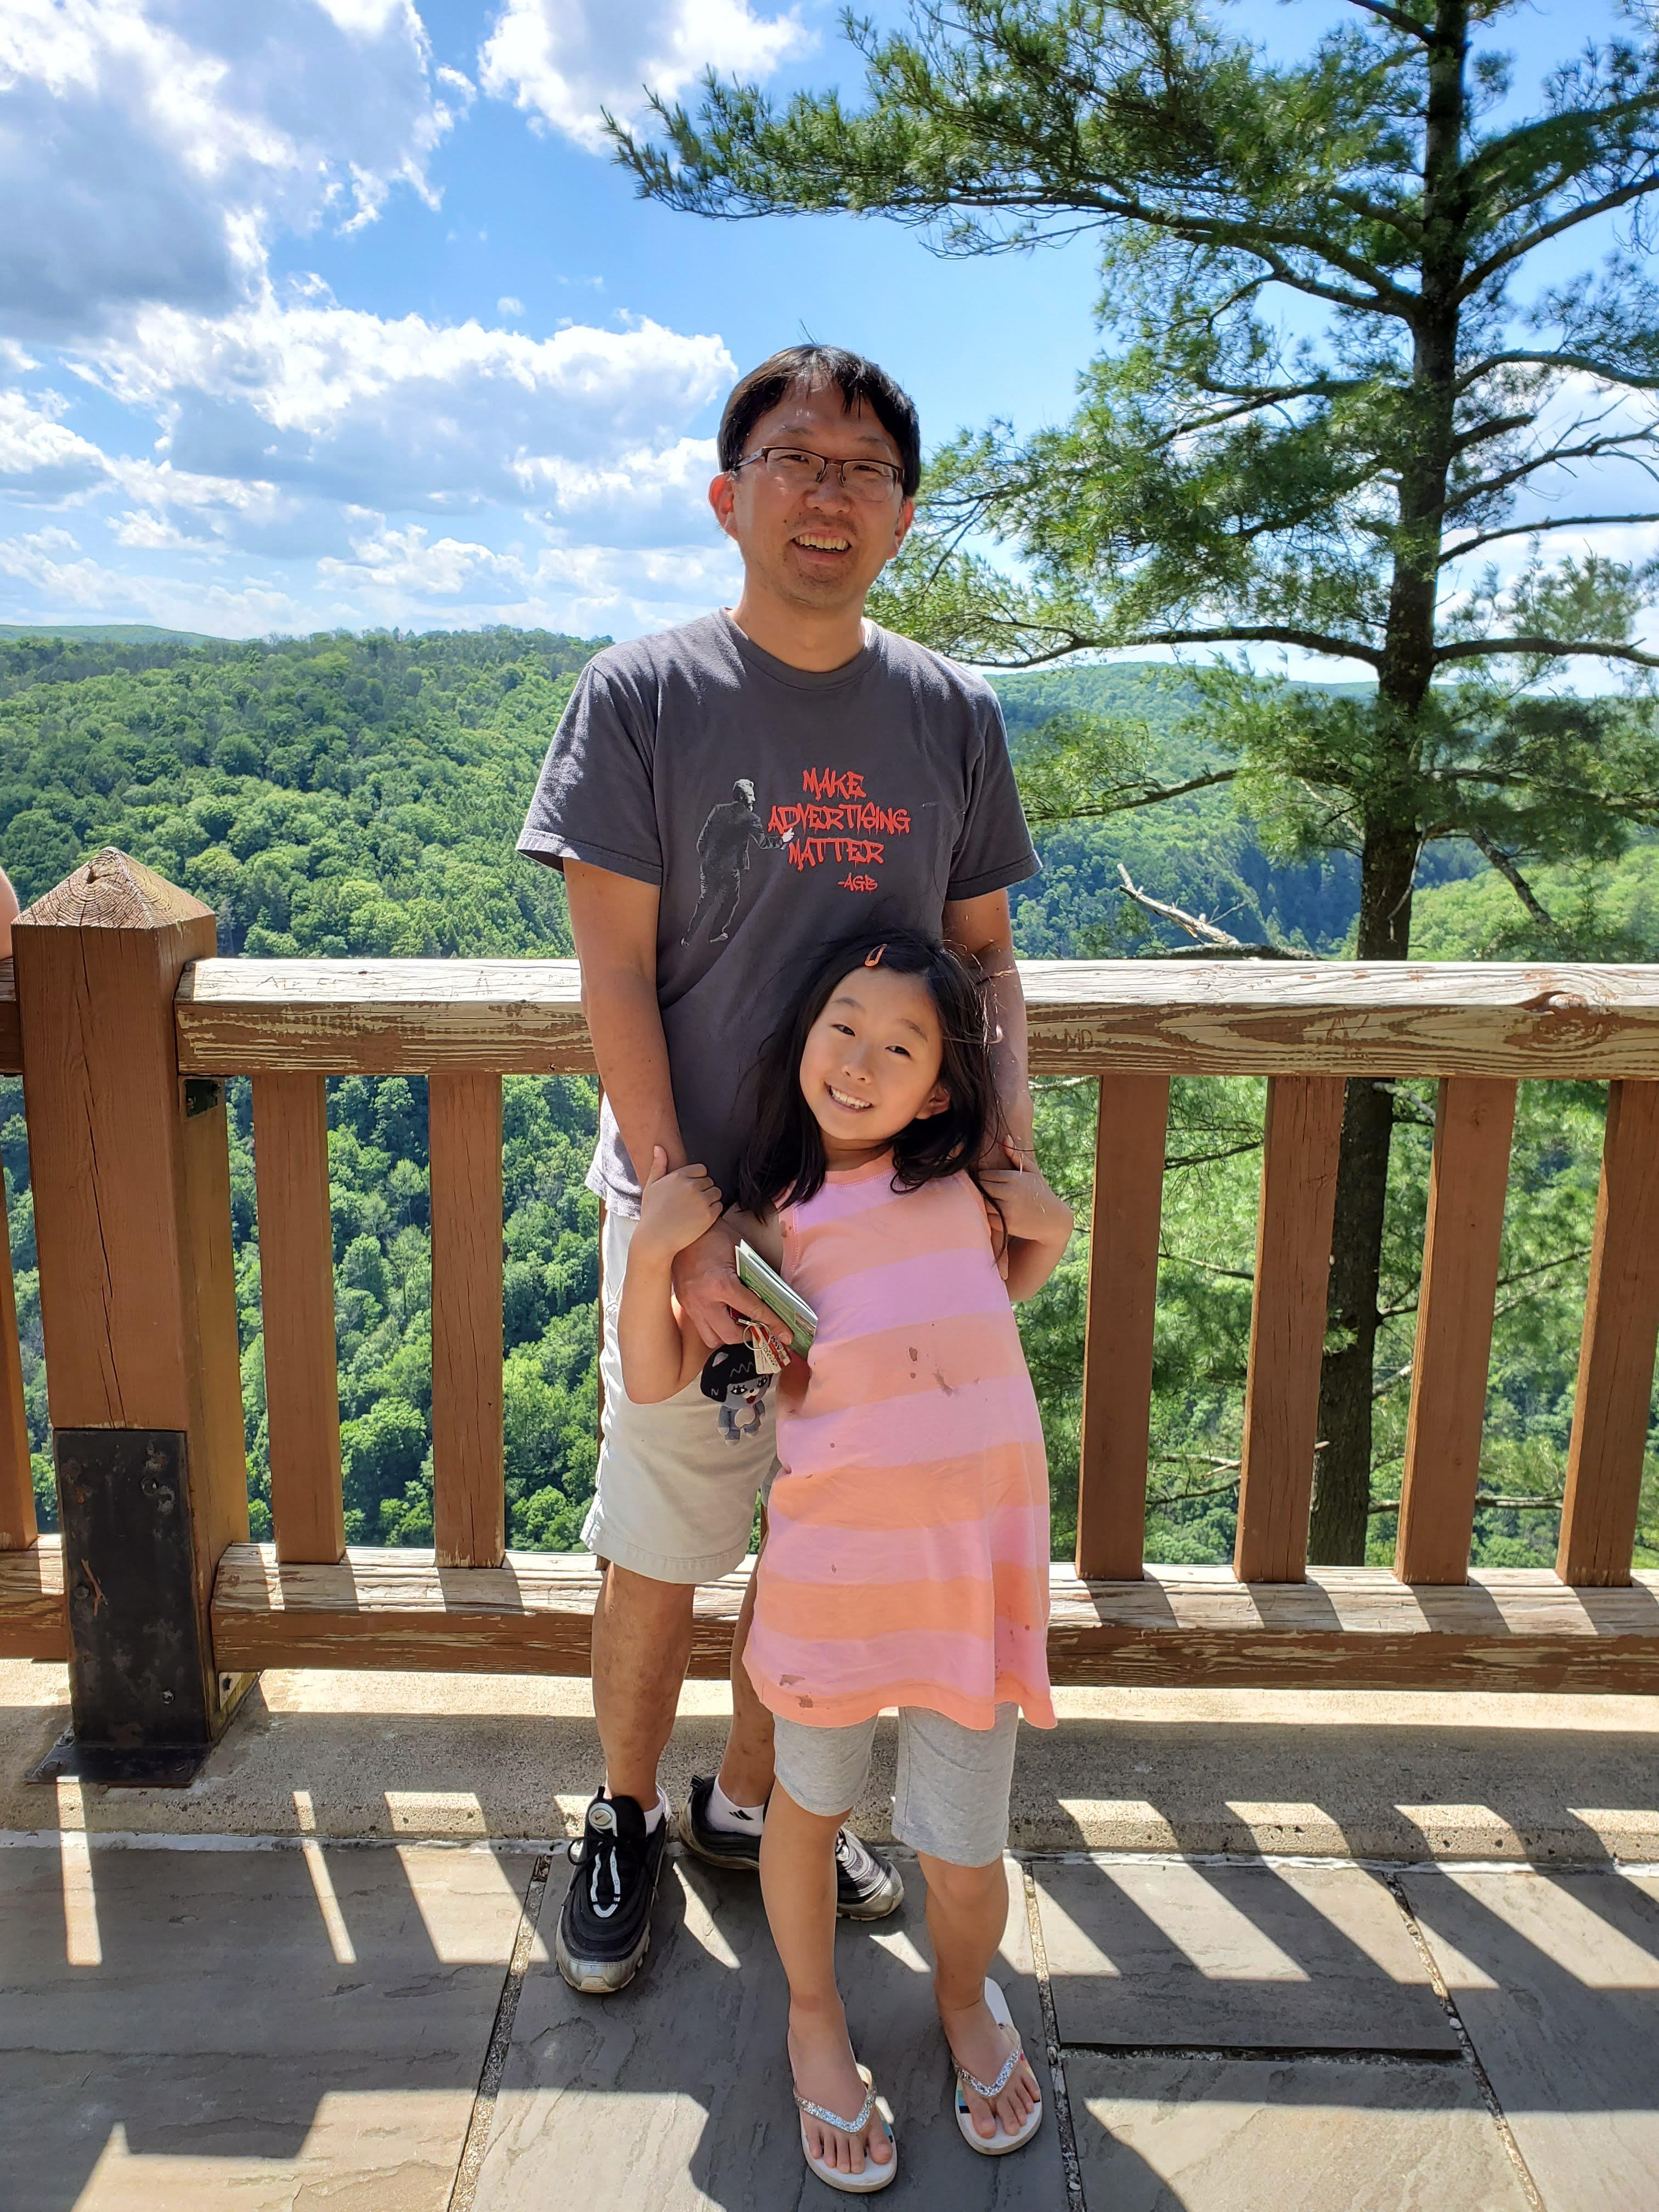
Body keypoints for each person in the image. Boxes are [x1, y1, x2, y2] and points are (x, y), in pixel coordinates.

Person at [518, 343, 1042, 1996]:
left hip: (878, 1226)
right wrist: (681, 1218)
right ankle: (620, 1811)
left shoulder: (951, 712)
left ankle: (746, 1805)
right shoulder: (642, 696)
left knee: (827, 1530)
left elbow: (986, 961)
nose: (831, 494)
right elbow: (614, 971)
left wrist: (1005, 1160)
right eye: (796, 461)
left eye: (865, 469)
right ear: (727, 495)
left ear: (904, 514)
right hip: (699, 1207)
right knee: (663, 1534)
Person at [619, 932, 1071, 2193]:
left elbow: (1004, 1290)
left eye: (900, 1045)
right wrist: (657, 1252)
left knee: (966, 1850)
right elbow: (660, 1377)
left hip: (971, 1576)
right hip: (833, 1579)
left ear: (938, 1090)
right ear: (803, 1036)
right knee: (807, 1813)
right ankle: (812, 2018)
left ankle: (965, 1999)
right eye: (844, 1025)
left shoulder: (967, 1191)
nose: (861, 1063)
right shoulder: (770, 1224)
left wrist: (1050, 1224)